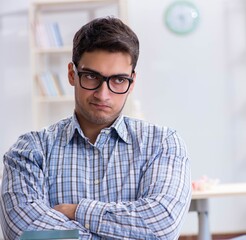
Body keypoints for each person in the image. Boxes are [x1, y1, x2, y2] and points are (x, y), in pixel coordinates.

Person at [0, 17, 191, 239]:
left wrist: (76, 211)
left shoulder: (162, 143)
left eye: (118, 80)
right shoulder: (30, 150)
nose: (103, 94)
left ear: (132, 82)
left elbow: (163, 226)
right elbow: (24, 231)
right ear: (72, 74)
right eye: (91, 76)